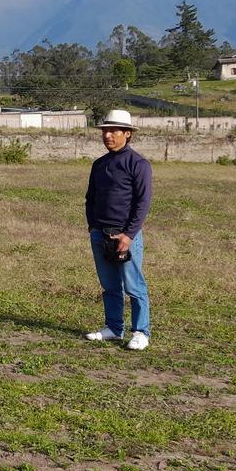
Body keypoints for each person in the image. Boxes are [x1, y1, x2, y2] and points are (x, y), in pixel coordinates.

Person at [84, 109, 152, 350]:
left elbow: (142, 203)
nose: (108, 135)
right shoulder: (99, 164)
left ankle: (141, 332)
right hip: (100, 233)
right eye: (105, 131)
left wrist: (129, 235)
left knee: (134, 286)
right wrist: (93, 227)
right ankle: (114, 328)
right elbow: (90, 198)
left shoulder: (138, 164)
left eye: (113, 131)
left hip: (125, 234)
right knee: (110, 285)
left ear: (127, 134)